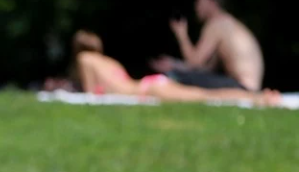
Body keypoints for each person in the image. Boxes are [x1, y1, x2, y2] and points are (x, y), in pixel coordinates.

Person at [73, 31, 277, 105]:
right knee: (204, 95)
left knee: (205, 97)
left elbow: (90, 94)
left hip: (147, 90)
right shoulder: (109, 61)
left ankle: (257, 99)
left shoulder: (84, 59)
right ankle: (254, 97)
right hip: (150, 84)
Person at [149, 0, 263, 92]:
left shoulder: (217, 23)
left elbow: (195, 62)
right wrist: (174, 64)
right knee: (181, 75)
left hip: (242, 88)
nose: (196, 7)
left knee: (175, 77)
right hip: (246, 86)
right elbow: (205, 69)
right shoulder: (226, 22)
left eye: (199, 2)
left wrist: (182, 35)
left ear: (211, 2)